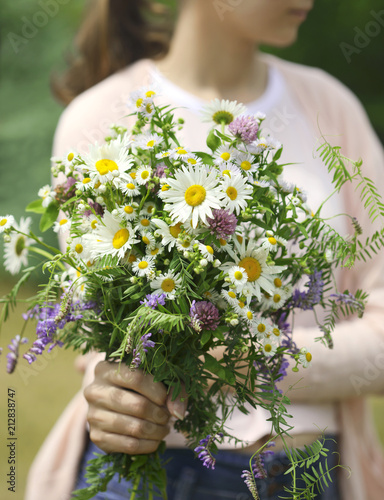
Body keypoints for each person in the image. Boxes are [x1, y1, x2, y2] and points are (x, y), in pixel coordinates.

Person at [25, 1, 384, 499]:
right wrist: (115, 396)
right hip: (158, 473)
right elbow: (103, 334)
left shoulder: (329, 108)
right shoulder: (99, 116)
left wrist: (242, 359)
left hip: (306, 477)